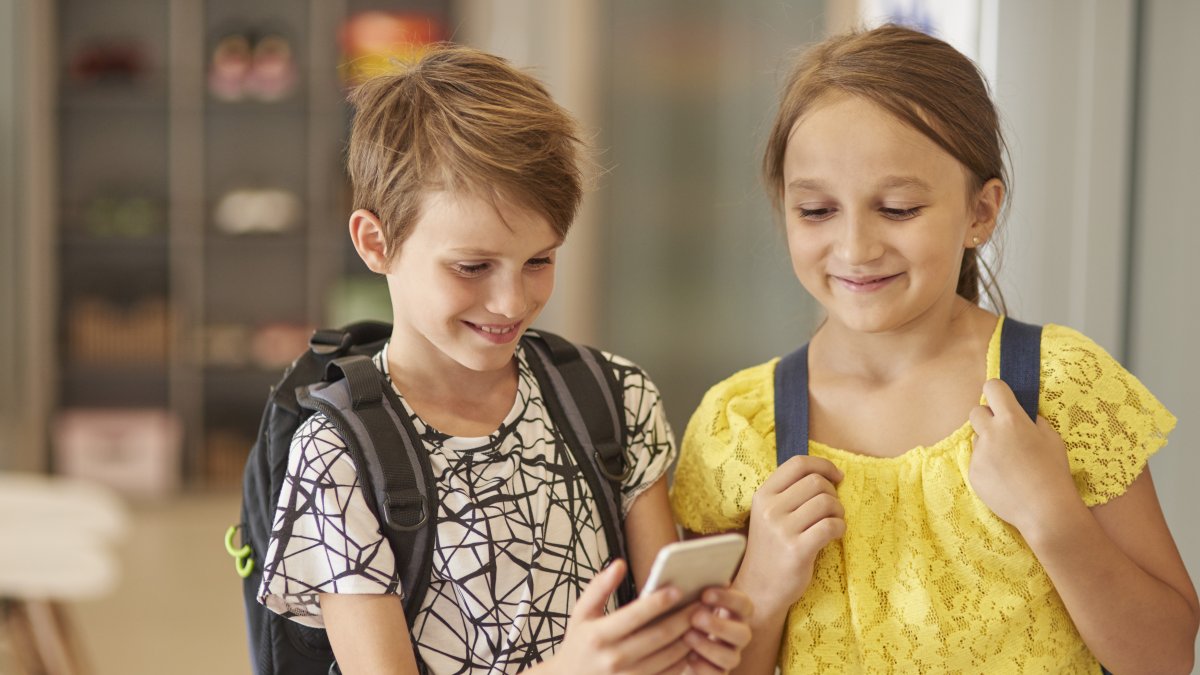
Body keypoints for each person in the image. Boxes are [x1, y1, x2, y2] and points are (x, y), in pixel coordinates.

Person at [669, 24, 1199, 674]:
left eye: (897, 209)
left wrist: (1053, 516)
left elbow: (1167, 656)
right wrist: (764, 585)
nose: (856, 246)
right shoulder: (739, 426)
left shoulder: (1064, 385)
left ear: (981, 212)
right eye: (816, 211)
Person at [257, 45, 752, 675]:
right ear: (375, 242)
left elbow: (664, 639)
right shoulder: (339, 454)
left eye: (539, 261)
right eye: (472, 267)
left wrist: (701, 649)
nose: (511, 300)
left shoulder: (615, 398)